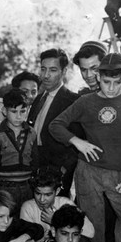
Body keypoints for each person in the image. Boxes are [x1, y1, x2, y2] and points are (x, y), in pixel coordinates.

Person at [49, 52, 121, 242]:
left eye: (118, 82)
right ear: (99, 76)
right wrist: (77, 141)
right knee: (92, 226)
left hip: (119, 175)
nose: (112, 88)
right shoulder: (86, 101)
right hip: (88, 173)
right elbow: (56, 125)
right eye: (106, 82)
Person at [27, 48, 79, 198]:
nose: (46, 75)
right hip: (35, 167)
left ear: (63, 72)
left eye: (53, 70)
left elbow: (76, 145)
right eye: (43, 69)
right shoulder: (38, 99)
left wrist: (62, 171)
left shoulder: (72, 101)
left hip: (57, 173)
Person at [0, 88, 39, 208]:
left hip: (27, 186)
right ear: (4, 111)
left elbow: (35, 160)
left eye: (22, 111)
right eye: (13, 111)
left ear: (28, 111)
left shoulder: (32, 133)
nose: (18, 116)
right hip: (5, 187)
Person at [20, 166, 94, 242]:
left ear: (57, 191)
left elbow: (90, 232)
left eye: (47, 195)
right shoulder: (28, 207)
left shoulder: (66, 203)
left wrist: (56, 221)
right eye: (38, 193)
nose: (42, 199)